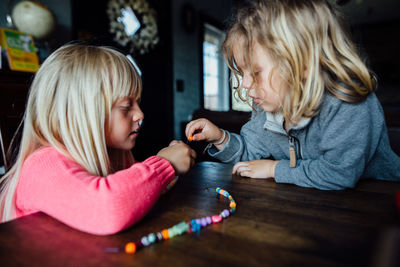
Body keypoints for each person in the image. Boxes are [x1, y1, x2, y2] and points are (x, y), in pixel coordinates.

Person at [186, 0, 400, 190]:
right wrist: (220, 137)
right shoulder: (268, 108)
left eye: (256, 72)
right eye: (243, 73)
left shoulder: (347, 101)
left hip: (381, 199)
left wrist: (274, 169)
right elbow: (249, 152)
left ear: (304, 64)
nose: (246, 85)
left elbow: (339, 173)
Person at [0, 44, 197, 235]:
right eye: (126, 107)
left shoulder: (112, 156)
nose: (140, 114)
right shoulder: (42, 166)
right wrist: (165, 164)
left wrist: (164, 176)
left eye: (137, 102)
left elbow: (136, 192)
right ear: (81, 114)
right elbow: (107, 208)